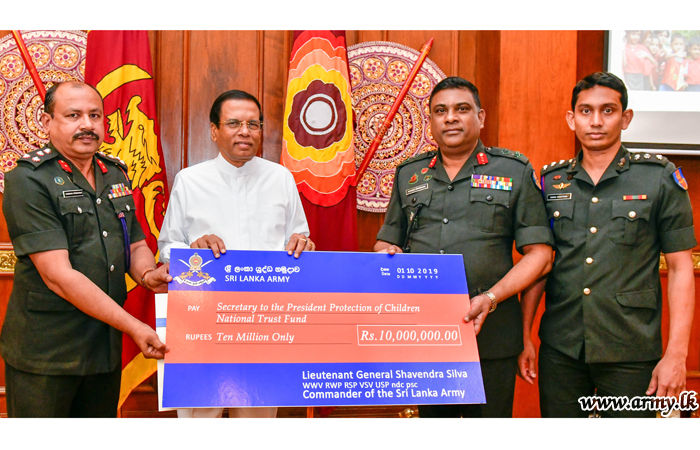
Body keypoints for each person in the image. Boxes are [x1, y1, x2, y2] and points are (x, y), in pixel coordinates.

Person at [374, 76, 554, 418]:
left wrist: (491, 298)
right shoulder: (409, 175)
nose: (450, 118)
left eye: (461, 109)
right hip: (427, 335)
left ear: (481, 117)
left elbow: (541, 256)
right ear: (431, 121)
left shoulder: (513, 171)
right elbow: (387, 241)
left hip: (492, 335)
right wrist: (386, 257)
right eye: (440, 111)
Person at [519, 72, 696, 418]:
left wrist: (676, 355)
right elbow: (540, 263)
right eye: (585, 111)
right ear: (572, 119)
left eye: (608, 110)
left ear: (625, 118)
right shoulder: (550, 181)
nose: (596, 121)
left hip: (631, 348)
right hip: (562, 348)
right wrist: (525, 335)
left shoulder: (659, 178)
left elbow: (679, 267)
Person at [1, 81, 171, 417]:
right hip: (48, 352)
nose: (87, 124)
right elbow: (59, 277)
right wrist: (135, 327)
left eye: (95, 115)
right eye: (73, 115)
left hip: (102, 347)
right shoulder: (29, 180)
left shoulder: (114, 173)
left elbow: (134, 242)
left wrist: (147, 274)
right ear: (48, 122)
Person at [158, 89, 313, 418]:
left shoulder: (281, 178)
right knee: (200, 420)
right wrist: (192, 249)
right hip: (204, 324)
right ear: (214, 130)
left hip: (266, 324)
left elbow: (300, 238)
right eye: (233, 123)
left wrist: (304, 244)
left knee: (257, 422)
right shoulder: (189, 180)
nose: (245, 131)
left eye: (253, 124)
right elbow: (166, 250)